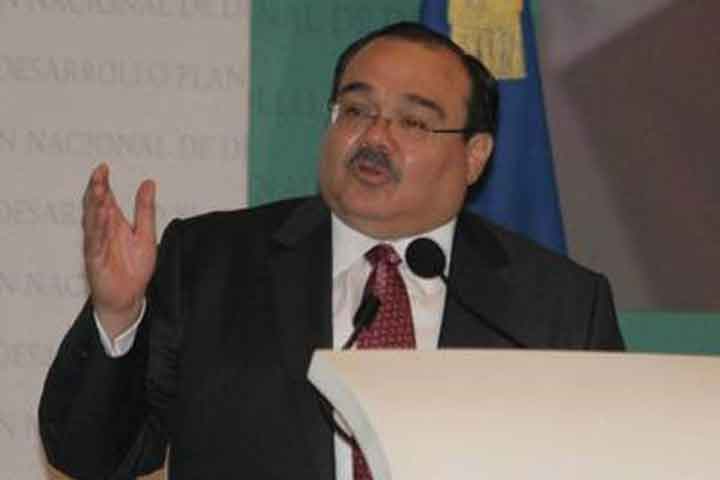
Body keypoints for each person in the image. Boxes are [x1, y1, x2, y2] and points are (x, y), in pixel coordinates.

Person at [39, 22, 624, 479]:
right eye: (357, 110)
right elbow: (93, 457)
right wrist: (118, 316)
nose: (375, 137)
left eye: (413, 122)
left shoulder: (560, 305)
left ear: (474, 156)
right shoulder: (209, 261)